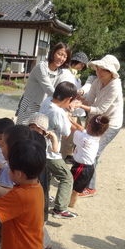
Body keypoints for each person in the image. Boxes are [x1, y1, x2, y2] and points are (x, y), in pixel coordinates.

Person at [77, 54, 123, 197]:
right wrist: (77, 100)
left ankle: (90, 187)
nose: (99, 72)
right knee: (88, 150)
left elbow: (101, 109)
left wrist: (80, 105)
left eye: (103, 69)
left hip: (111, 124)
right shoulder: (98, 81)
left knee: (94, 154)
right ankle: (84, 181)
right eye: (98, 68)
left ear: (111, 73)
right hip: (97, 121)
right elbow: (90, 100)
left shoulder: (115, 86)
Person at [40, 81, 78, 219]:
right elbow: (66, 132)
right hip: (51, 151)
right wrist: (68, 116)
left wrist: (64, 110)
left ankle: (44, 199)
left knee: (47, 176)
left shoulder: (48, 101)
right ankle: (60, 209)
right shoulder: (58, 113)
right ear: (69, 99)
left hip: (40, 147)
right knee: (66, 178)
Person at [16, 42, 72, 125]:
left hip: (44, 107)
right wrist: (64, 101)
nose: (61, 58)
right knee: (23, 130)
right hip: (30, 104)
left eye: (65, 56)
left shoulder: (60, 72)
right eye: (59, 54)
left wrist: (69, 101)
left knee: (37, 133)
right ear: (53, 53)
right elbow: (49, 88)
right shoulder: (41, 67)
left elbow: (60, 89)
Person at [68, 115, 110, 208]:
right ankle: (72, 203)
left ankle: (69, 203)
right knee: (77, 189)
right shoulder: (95, 137)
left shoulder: (84, 139)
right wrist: (72, 120)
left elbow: (74, 129)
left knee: (71, 186)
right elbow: (82, 129)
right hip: (89, 168)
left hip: (80, 168)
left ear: (89, 126)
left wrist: (66, 119)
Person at [61, 51, 90, 163]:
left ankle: (67, 155)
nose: (81, 67)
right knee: (68, 138)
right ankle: (61, 160)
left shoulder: (76, 75)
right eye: (81, 64)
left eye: (83, 66)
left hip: (75, 110)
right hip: (68, 109)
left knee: (74, 137)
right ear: (75, 61)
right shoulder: (66, 73)